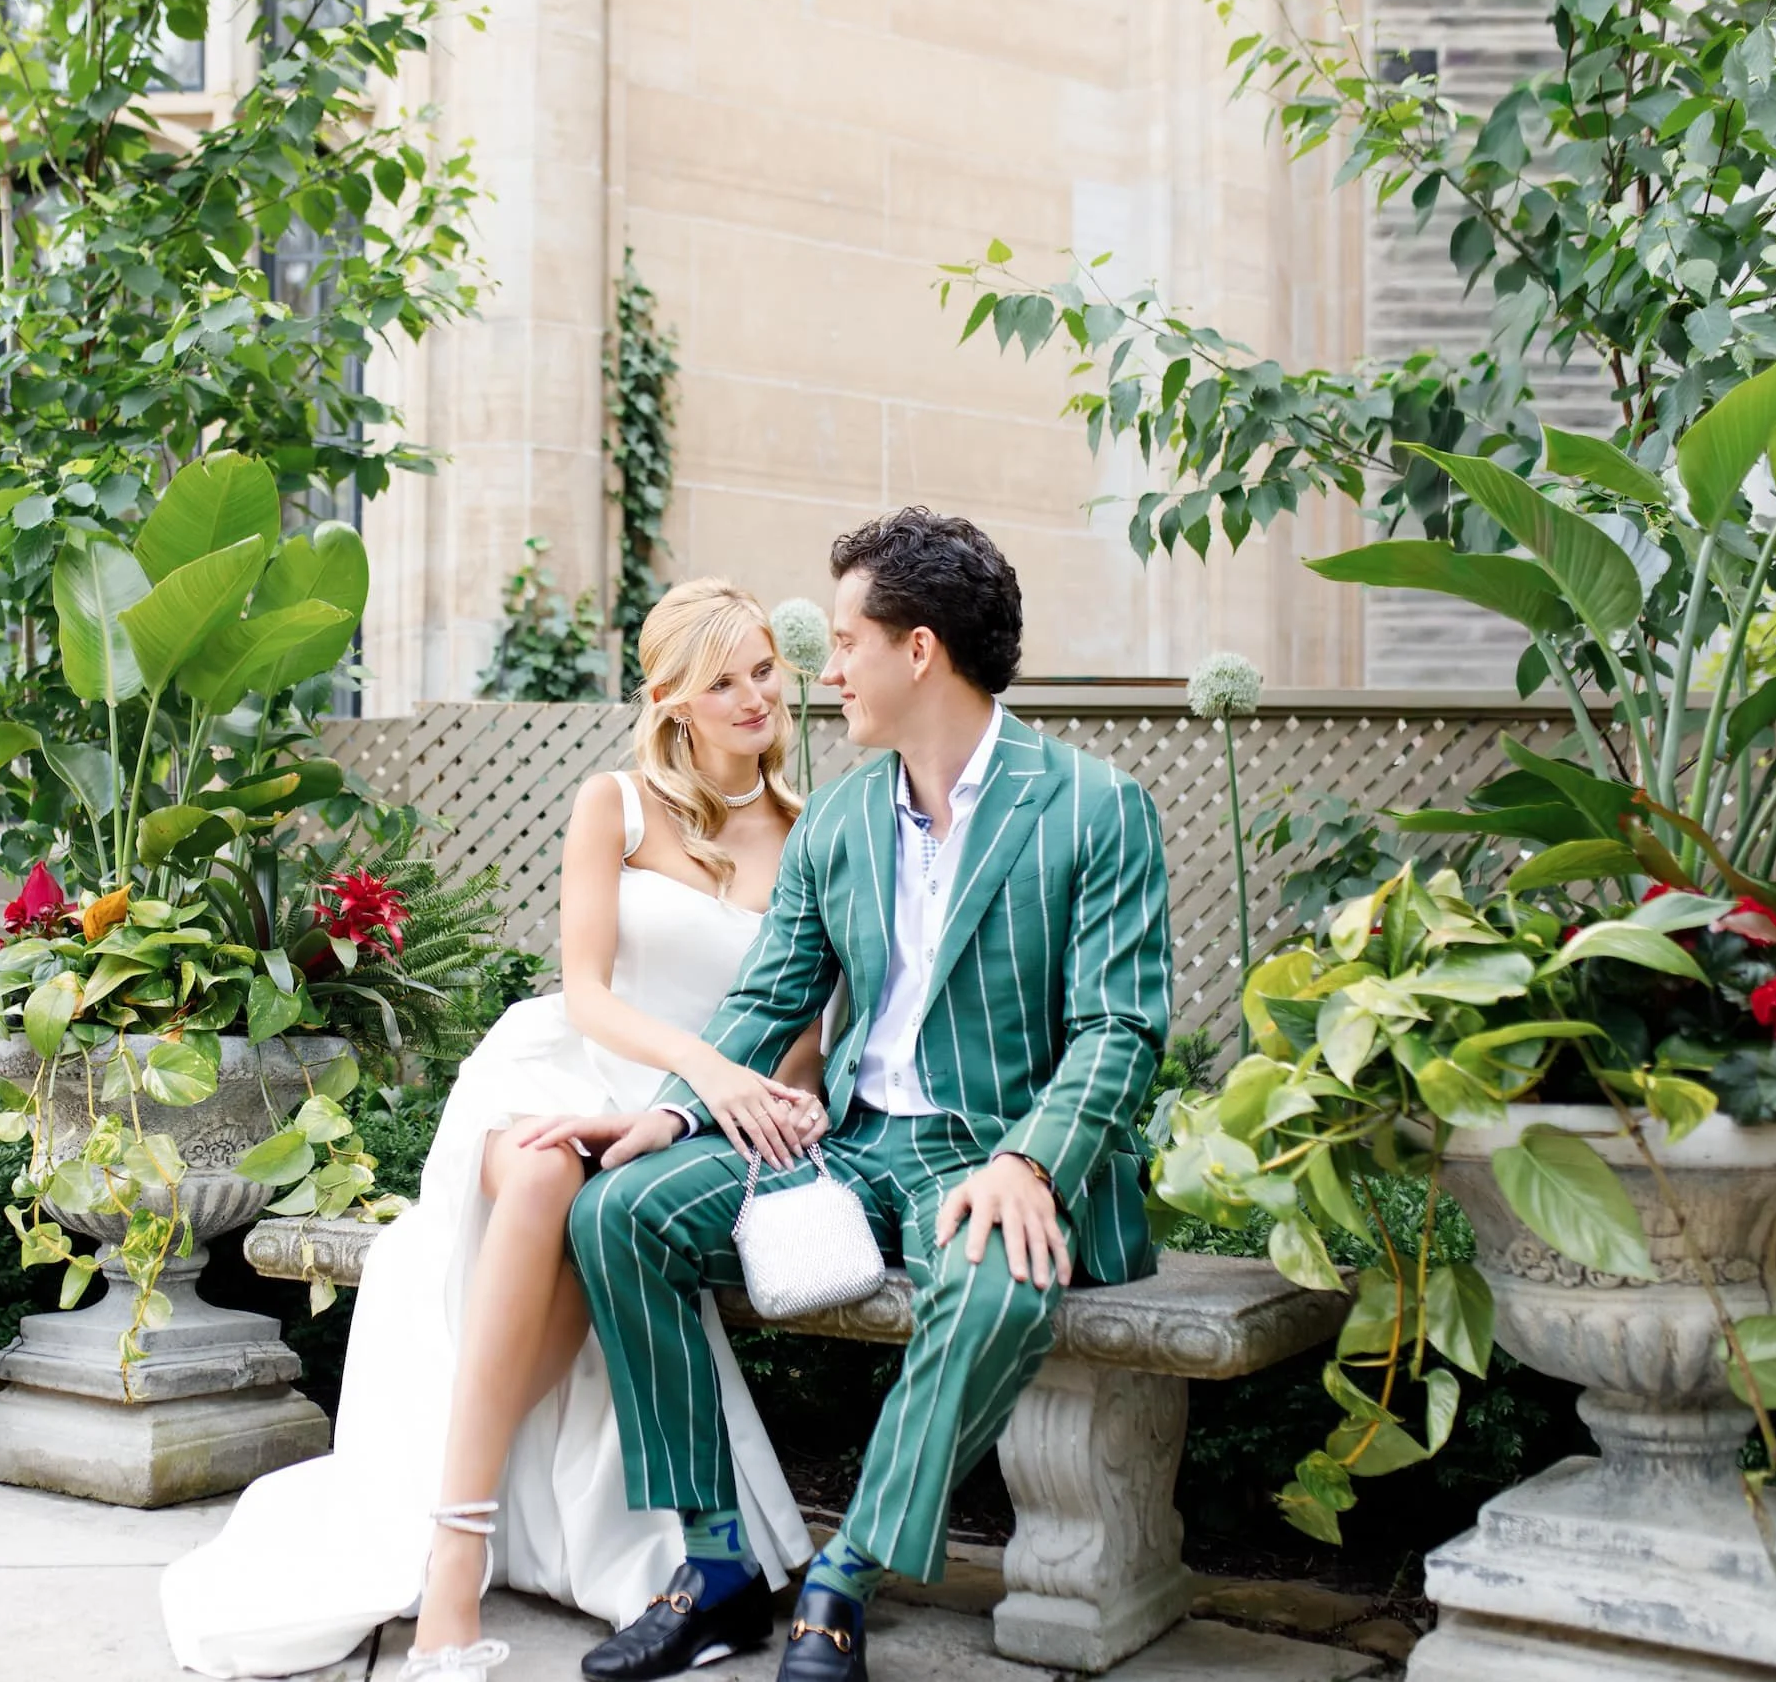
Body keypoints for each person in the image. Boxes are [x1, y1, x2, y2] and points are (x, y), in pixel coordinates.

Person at [535, 509, 1172, 1682]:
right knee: (618, 1211)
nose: (819, 675)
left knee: (997, 1290)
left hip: (994, 1156)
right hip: (854, 1149)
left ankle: (845, 1575)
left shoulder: (1092, 806)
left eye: (840, 644)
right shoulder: (836, 819)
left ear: (916, 649)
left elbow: (1119, 1028)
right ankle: (718, 1563)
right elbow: (766, 1002)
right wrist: (673, 1110)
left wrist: (1032, 1162)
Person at [160, 581, 825, 1681]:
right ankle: (454, 1576)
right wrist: (689, 1069)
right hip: (559, 1065)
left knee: (582, 1195)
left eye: (763, 668)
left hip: (685, 1116)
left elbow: (798, 1036)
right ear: (670, 698)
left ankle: (442, 1521)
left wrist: (686, 1104)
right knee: (540, 1175)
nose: (754, 694)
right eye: (722, 678)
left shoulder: (808, 833)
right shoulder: (612, 802)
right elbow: (589, 991)